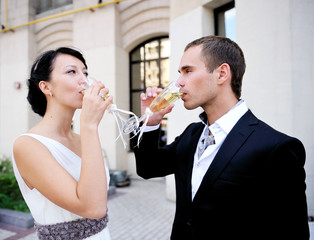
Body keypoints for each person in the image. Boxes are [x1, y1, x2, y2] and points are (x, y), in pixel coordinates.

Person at [132, 36, 309, 239]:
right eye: (180, 73)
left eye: (188, 71)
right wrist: (151, 121)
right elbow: (148, 168)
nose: (179, 82)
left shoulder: (276, 148)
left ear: (222, 73)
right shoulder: (192, 134)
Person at [12, 47, 113, 239]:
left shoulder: (83, 139)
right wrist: (89, 125)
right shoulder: (27, 145)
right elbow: (93, 208)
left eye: (85, 72)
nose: (84, 80)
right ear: (46, 87)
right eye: (71, 71)